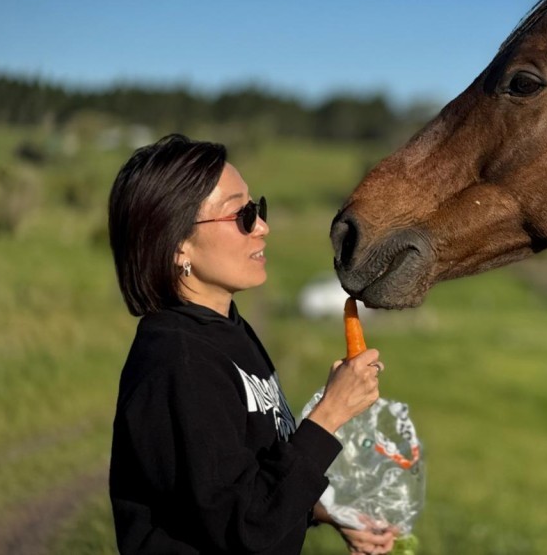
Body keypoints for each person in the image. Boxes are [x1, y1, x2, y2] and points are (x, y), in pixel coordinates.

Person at [108, 134, 397, 554]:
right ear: (178, 244)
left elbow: (245, 479)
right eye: (241, 215)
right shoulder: (180, 361)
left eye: (256, 209)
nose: (262, 227)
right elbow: (242, 524)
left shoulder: (227, 329)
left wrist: (323, 510)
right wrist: (328, 414)